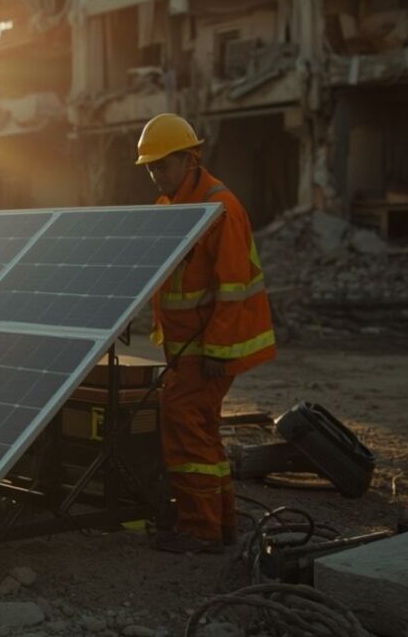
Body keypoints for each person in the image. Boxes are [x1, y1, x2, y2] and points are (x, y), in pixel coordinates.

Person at [136, 113, 276, 554]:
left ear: (190, 159)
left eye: (164, 164)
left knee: (181, 423)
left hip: (211, 348)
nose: (157, 174)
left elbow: (233, 288)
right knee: (202, 430)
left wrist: (218, 350)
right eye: (151, 167)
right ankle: (222, 524)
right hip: (187, 347)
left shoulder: (221, 209)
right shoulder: (171, 208)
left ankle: (199, 529)